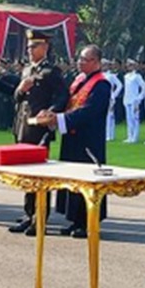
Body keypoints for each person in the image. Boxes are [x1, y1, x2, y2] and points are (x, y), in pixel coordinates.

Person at [33, 44, 111, 239]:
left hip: (88, 138)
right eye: (80, 58)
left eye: (85, 59)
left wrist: (60, 120)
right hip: (72, 135)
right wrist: (52, 113)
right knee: (73, 179)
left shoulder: (102, 84)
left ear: (96, 62)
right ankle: (76, 220)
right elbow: (66, 101)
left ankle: (88, 222)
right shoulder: (79, 80)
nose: (80, 62)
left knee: (87, 179)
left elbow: (89, 110)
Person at [0, 29, 67, 234]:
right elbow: (16, 97)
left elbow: (62, 97)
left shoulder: (52, 72)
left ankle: (40, 217)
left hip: (39, 129)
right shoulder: (26, 70)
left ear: (45, 47)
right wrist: (20, 89)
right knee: (26, 174)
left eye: (34, 46)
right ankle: (28, 213)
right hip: (22, 126)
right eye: (28, 47)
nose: (30, 50)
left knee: (39, 175)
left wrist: (50, 112)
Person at [122, 59, 145, 143]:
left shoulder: (137, 76)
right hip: (127, 99)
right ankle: (130, 136)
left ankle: (135, 136)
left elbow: (143, 87)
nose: (129, 67)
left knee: (135, 118)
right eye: (128, 65)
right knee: (129, 119)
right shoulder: (126, 76)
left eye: (130, 65)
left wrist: (139, 98)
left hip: (134, 99)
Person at [101, 58, 123, 142]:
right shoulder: (99, 75)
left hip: (109, 98)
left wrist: (114, 95)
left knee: (110, 116)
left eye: (105, 65)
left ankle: (110, 134)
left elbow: (120, 85)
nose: (103, 66)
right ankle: (105, 134)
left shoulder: (111, 76)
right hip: (101, 98)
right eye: (102, 65)